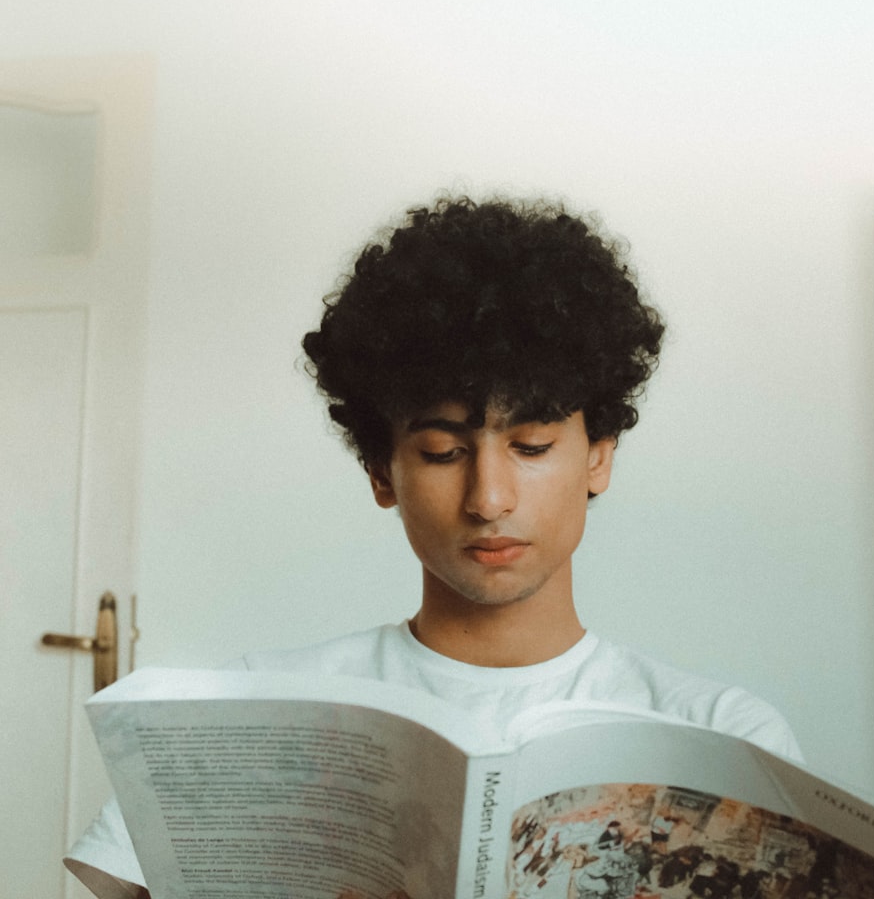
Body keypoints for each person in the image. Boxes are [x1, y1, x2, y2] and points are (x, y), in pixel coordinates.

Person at [64, 195, 802, 898]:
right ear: (383, 473)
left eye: (532, 444)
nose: (489, 499)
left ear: (598, 459)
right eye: (445, 452)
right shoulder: (258, 708)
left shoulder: (723, 735)